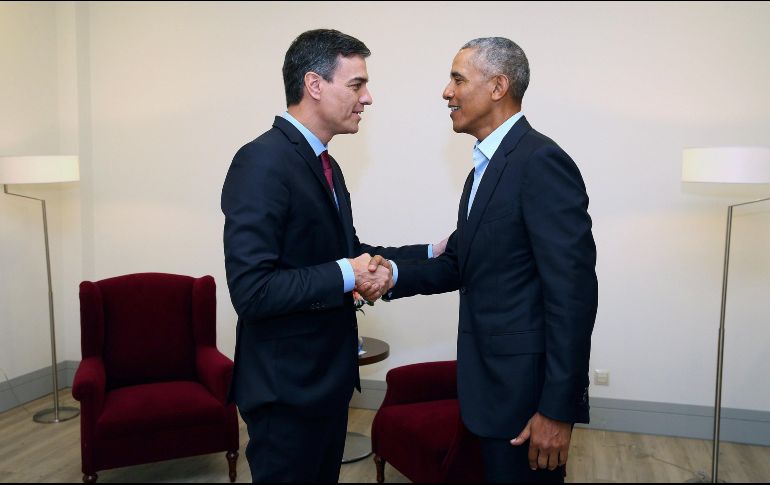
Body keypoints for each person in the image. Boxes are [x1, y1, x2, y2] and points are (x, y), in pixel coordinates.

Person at [221, 29, 442, 483]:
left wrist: (430, 252)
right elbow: (253, 291)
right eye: (357, 84)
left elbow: (349, 255)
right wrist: (347, 272)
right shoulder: (261, 161)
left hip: (324, 384)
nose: (368, 98)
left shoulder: (326, 163)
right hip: (286, 393)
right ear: (315, 85)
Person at [381, 37, 598, 483]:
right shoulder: (483, 169)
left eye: (458, 79)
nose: (447, 92)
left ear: (498, 86)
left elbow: (572, 296)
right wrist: (388, 273)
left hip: (525, 401)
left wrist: (557, 410)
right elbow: (462, 262)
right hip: (488, 395)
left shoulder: (540, 162)